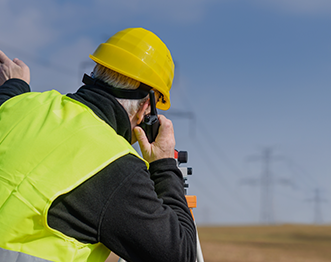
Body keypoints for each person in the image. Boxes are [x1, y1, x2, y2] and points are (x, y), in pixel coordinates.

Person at [0, 28, 196, 262]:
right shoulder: (117, 166)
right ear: (146, 107)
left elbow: (7, 102)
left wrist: (15, 85)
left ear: (96, 75)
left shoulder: (19, 106)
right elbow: (179, 254)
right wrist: (164, 164)